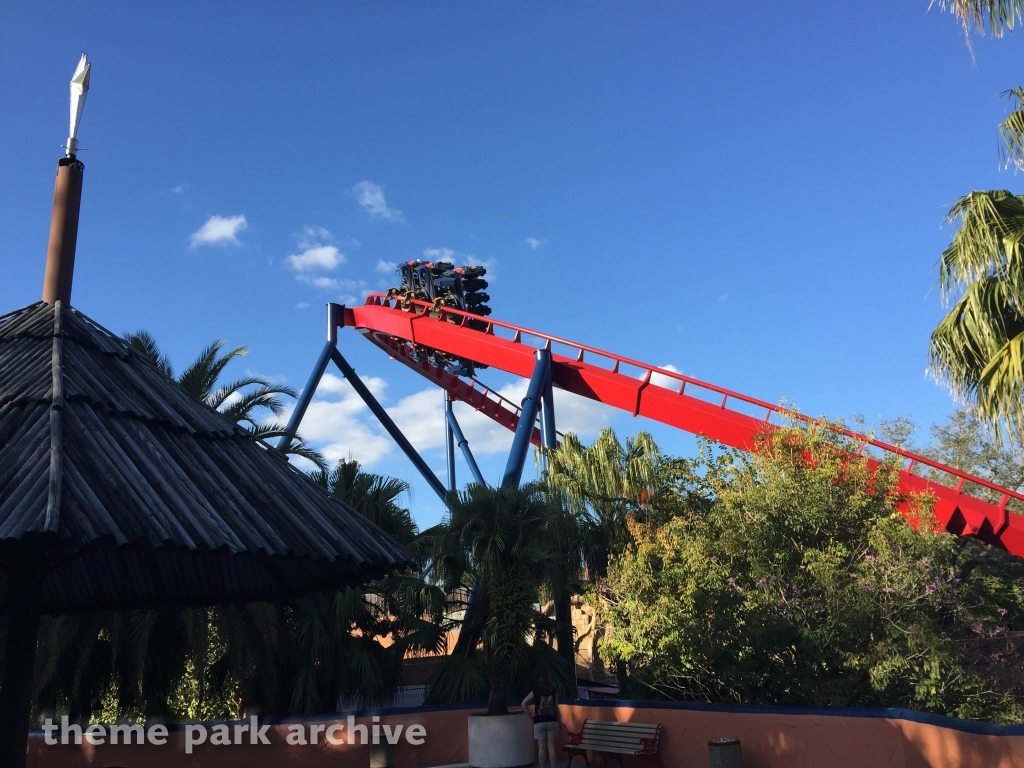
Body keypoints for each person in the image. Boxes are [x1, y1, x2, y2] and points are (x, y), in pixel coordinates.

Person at [522, 674, 564, 768]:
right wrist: (559, 722)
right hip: (552, 721)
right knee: (551, 746)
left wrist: (531, 715)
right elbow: (556, 708)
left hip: (539, 721)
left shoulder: (535, 692)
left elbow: (523, 703)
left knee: (542, 747)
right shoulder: (553, 691)